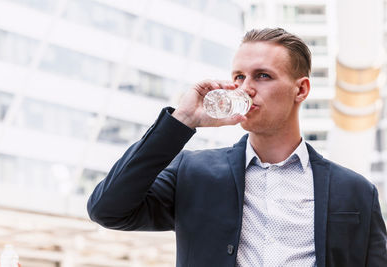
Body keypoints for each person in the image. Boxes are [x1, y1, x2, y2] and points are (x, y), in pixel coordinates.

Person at [87, 28, 387, 267]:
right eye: (239, 77)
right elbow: (108, 210)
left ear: (302, 89)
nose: (245, 88)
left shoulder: (356, 190)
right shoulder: (192, 173)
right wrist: (182, 121)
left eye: (263, 76)